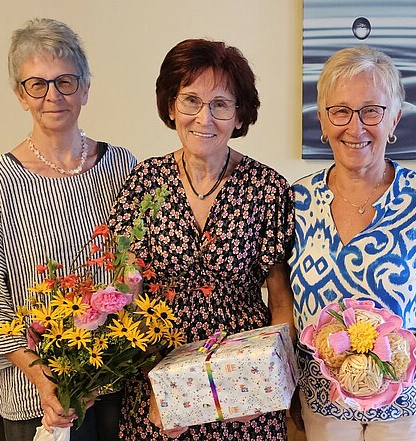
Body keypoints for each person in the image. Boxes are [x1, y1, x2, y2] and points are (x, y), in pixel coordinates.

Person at [289, 45, 416, 441]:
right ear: (322, 120)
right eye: (340, 111)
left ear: (394, 118)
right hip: (324, 405)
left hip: (410, 407)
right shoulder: (296, 201)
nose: (355, 127)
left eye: (371, 111)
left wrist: (411, 350)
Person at [110, 38, 295, 440]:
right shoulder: (143, 182)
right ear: (170, 106)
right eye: (191, 100)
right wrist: (161, 382)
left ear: (239, 116)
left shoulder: (268, 188)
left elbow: (281, 300)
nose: (203, 117)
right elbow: (128, 289)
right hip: (157, 368)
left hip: (242, 377)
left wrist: (264, 383)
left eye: (220, 104)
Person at [0, 18, 136, 441]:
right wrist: (44, 379)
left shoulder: (122, 166)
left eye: (65, 81)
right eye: (37, 84)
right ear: (20, 95)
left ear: (85, 88)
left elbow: (137, 268)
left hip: (115, 379)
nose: (52, 96)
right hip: (38, 393)